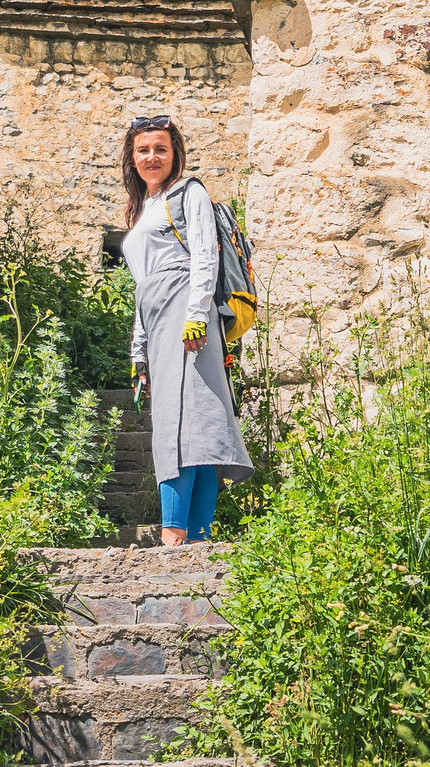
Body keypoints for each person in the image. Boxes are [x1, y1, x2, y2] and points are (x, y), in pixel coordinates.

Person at [122, 114, 253, 544]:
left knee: (191, 420)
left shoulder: (188, 192)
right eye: (143, 150)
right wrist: (139, 348)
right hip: (157, 318)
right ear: (132, 158)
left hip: (185, 312)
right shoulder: (143, 211)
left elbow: (204, 255)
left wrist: (196, 314)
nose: (152, 156)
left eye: (160, 148)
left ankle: (177, 533)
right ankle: (192, 536)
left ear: (175, 153)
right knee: (185, 419)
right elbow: (142, 285)